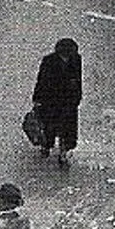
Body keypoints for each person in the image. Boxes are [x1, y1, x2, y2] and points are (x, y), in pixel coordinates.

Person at [32, 37, 82, 168]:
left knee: (67, 128)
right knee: (50, 126)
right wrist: (37, 98)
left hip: (68, 100)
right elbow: (41, 80)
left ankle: (63, 151)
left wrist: (77, 97)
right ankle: (47, 145)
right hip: (51, 99)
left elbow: (78, 79)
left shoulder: (76, 60)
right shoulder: (49, 61)